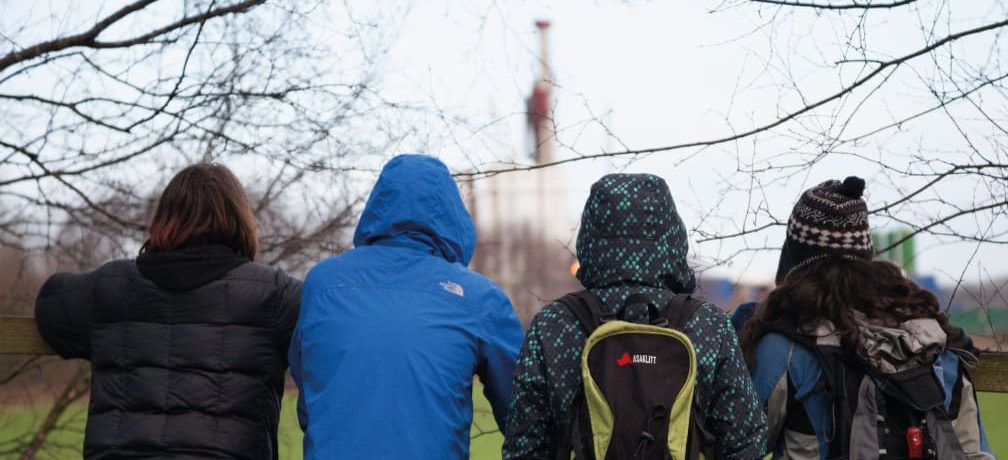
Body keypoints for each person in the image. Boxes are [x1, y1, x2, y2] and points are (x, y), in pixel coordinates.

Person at [35, 163, 301, 459]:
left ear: (164, 219)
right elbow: (331, 327)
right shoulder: (274, 295)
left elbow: (50, 304)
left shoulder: (111, 287)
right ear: (241, 222)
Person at [504, 173, 768, 459]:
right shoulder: (707, 325)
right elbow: (746, 439)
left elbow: (524, 445)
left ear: (591, 237)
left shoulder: (555, 325)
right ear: (672, 235)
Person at [737, 177, 994, 459]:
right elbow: (974, 450)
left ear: (797, 262)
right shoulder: (931, 339)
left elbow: (740, 442)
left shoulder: (784, 347)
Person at [289, 154, 523, 459]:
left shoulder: (322, 283)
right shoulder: (477, 298)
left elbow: (310, 397)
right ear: (452, 215)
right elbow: (525, 415)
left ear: (378, 206)